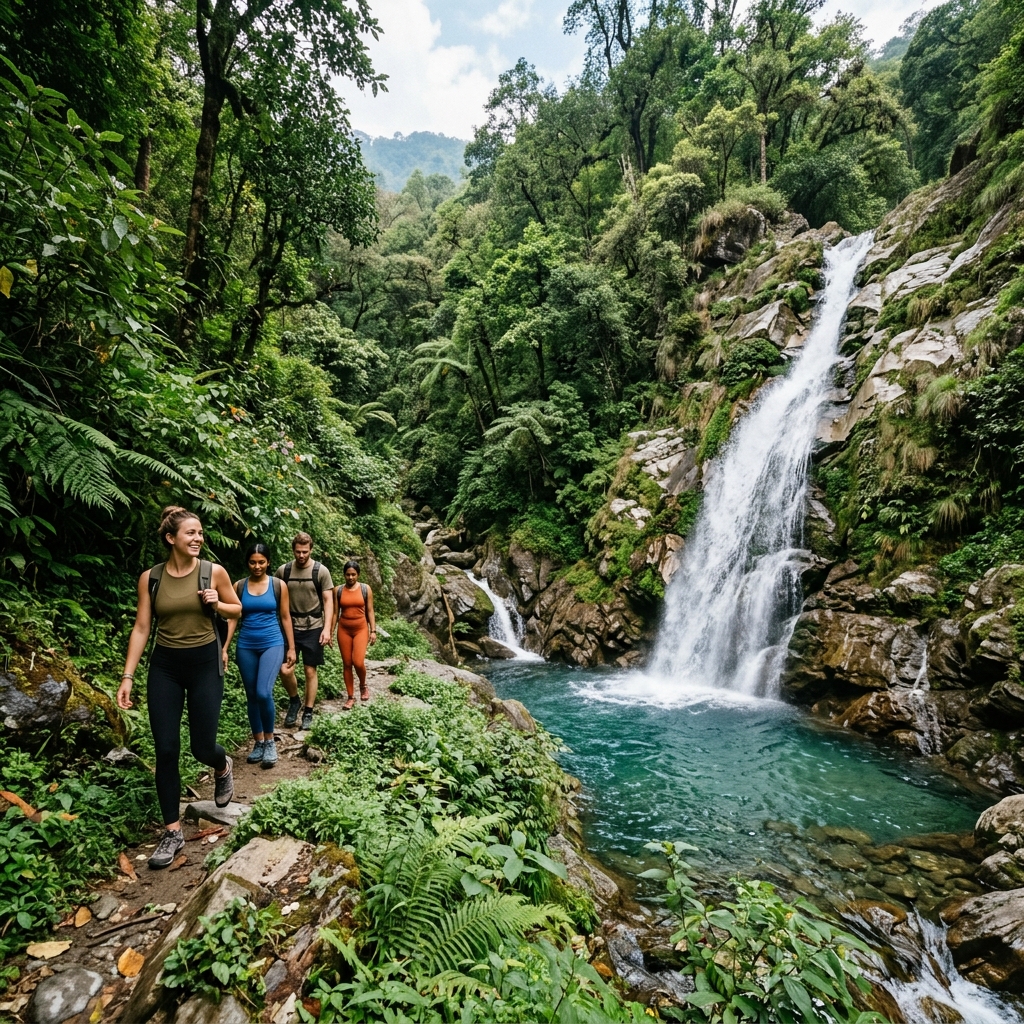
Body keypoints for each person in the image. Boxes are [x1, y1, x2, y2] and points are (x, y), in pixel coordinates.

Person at [118, 506, 241, 871]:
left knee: (202, 745)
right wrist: (128, 676)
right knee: (166, 748)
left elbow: (237, 610)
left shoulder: (212, 572)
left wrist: (219, 603)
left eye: (200, 533)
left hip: (205, 664)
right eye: (191, 533)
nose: (198, 538)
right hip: (165, 667)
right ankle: (172, 831)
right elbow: (142, 628)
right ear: (171, 538)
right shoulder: (151, 578)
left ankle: (221, 765)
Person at [223, 542, 296, 770]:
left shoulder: (278, 585)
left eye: (261, 562)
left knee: (264, 692)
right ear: (248, 563)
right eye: (253, 562)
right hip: (246, 644)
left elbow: (285, 617)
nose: (257, 566)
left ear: (268, 562)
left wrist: (291, 647)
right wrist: (224, 648)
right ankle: (259, 742)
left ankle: (270, 741)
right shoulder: (239, 586)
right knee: (252, 695)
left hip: (272, 643)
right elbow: (233, 618)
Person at [276, 532, 334, 731]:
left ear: (311, 550)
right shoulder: (283, 571)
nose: (301, 556)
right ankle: (294, 701)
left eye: (305, 552)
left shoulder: (321, 571)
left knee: (310, 670)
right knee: (285, 669)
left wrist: (327, 629)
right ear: (293, 550)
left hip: (313, 626)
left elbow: (328, 600)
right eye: (298, 552)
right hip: (289, 626)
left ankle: (308, 711)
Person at [335, 559, 377, 711]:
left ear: (358, 575)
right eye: (348, 575)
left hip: (361, 629)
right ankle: (350, 697)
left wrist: (373, 630)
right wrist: (330, 631)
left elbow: (370, 611)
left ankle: (363, 685)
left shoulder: (366, 589)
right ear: (344, 575)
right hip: (344, 629)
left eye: (353, 574)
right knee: (346, 663)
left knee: (357, 662)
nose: (350, 577)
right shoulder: (338, 590)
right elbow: (335, 613)